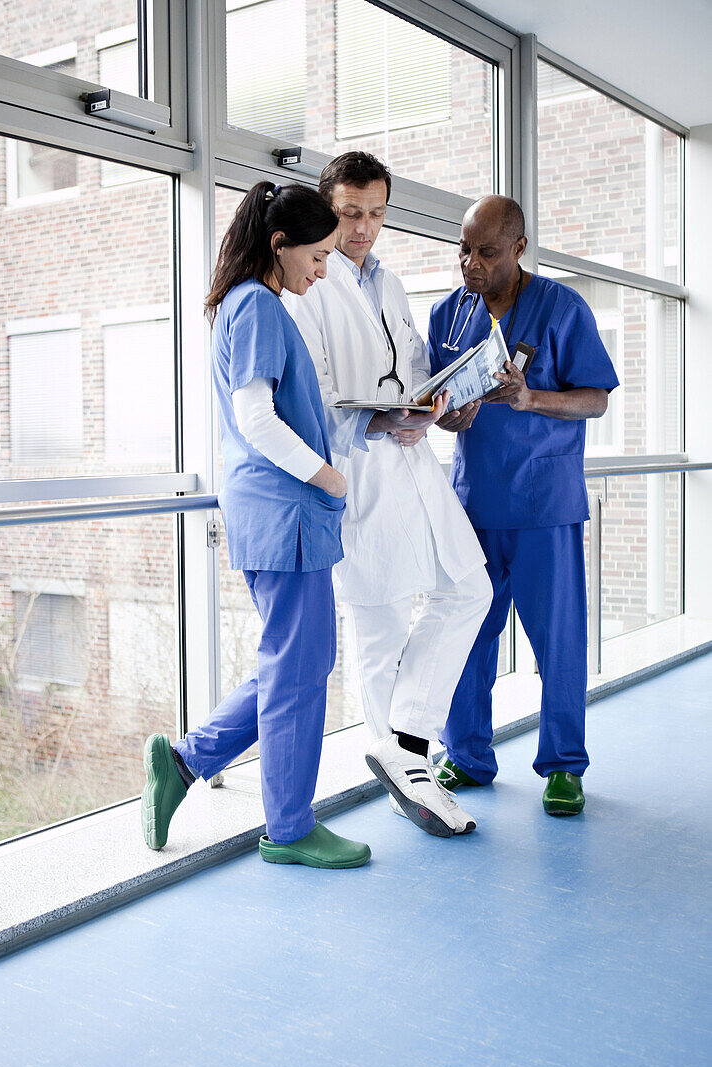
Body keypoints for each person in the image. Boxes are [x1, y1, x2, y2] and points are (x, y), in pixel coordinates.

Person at [141, 181, 371, 869]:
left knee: (295, 662)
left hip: (282, 514)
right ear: (280, 244)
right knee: (298, 669)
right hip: (285, 513)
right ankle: (290, 828)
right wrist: (329, 478)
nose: (323, 269)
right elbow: (256, 419)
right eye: (319, 255)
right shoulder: (257, 307)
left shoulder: (253, 305)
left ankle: (185, 760)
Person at [284, 152, 492, 839]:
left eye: (375, 213)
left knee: (468, 587)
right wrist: (367, 419)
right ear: (327, 208)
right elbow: (307, 393)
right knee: (377, 626)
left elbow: (408, 366)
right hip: (356, 467)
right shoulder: (306, 287)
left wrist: (443, 399)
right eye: (350, 213)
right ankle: (412, 777)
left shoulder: (392, 284)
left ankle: (402, 746)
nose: (364, 227)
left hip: (412, 458)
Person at [428, 195, 620, 816]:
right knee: (468, 638)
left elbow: (596, 399)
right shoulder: (447, 316)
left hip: (545, 505)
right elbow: (444, 413)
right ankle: (468, 755)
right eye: (463, 250)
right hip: (475, 504)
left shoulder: (563, 309)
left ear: (517, 248)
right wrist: (451, 417)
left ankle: (564, 766)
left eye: (485, 252)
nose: (470, 264)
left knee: (557, 641)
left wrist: (530, 399)